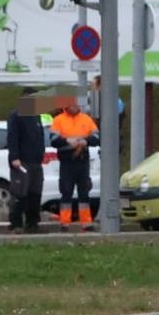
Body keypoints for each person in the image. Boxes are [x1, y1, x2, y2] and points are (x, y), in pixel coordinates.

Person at [50, 98, 99, 230]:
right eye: (72, 104)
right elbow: (53, 140)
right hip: (66, 162)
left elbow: (96, 137)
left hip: (82, 161)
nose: (75, 106)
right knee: (66, 192)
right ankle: (65, 223)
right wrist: (67, 141)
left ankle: (86, 223)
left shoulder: (86, 119)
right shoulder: (58, 120)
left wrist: (85, 141)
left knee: (84, 192)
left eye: (76, 104)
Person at [6, 89, 47, 233]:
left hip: (36, 162)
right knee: (20, 193)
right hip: (22, 161)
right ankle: (16, 223)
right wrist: (14, 157)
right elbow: (12, 137)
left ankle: (32, 223)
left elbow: (40, 137)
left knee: (35, 193)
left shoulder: (36, 116)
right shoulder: (16, 115)